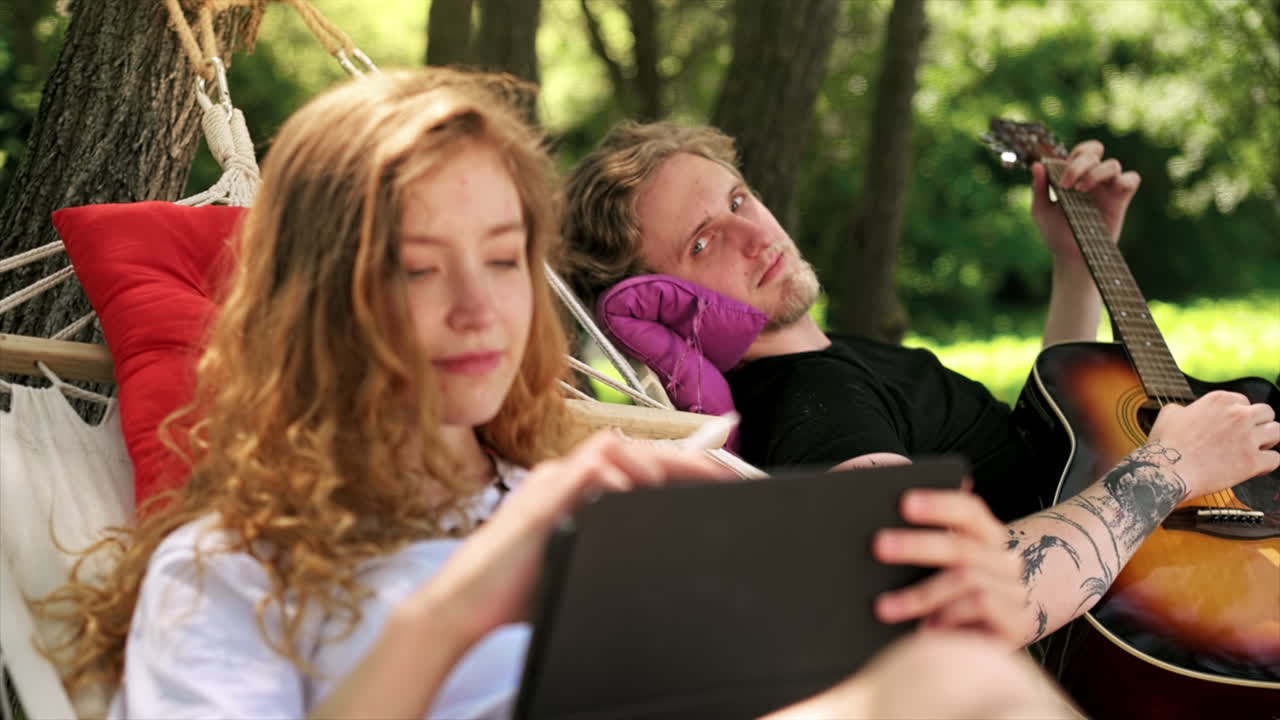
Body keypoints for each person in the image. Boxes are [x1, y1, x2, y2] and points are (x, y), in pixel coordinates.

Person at [33, 66, 1087, 720]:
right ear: (319, 302)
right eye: (414, 265)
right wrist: (456, 608)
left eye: (501, 259)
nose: (476, 309)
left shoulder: (617, 490)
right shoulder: (228, 573)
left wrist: (951, 607)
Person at [557, 120, 1280, 648]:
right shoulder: (810, 405)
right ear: (652, 303)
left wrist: (1074, 260)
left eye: (739, 200)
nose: (756, 237)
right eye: (703, 241)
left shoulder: (833, 360)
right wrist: (1168, 467)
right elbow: (934, 596)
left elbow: (1056, 448)